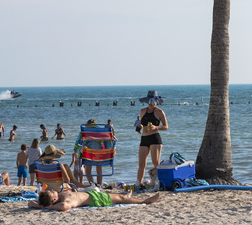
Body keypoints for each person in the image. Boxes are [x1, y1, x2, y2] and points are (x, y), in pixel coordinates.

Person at [137, 90, 168, 188]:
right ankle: (138, 183)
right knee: (141, 163)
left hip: (155, 138)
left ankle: (158, 182)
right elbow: (142, 124)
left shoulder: (159, 112)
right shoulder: (142, 111)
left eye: (153, 100)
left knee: (155, 162)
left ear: (156, 101)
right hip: (144, 138)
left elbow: (166, 126)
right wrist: (139, 127)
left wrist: (156, 127)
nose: (151, 103)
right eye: (150, 100)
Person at [29, 189, 160, 211]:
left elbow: (30, 203)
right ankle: (145, 201)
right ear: (53, 199)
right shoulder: (65, 201)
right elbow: (64, 207)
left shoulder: (59, 197)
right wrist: (49, 207)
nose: (52, 190)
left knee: (119, 196)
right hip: (96, 200)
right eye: (51, 192)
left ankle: (129, 196)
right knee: (121, 198)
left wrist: (42, 206)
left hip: (92, 195)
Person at [80, 118, 104, 187]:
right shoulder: (100, 131)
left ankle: (92, 185)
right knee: (99, 169)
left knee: (88, 170)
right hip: (99, 154)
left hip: (88, 154)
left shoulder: (84, 131)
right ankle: (99, 185)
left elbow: (79, 142)